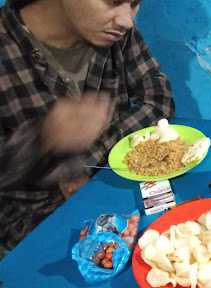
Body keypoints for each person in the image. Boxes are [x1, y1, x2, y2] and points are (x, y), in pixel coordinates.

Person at [0, 0, 174, 259]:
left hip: (116, 202)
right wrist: (43, 139)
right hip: (30, 239)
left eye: (135, 3)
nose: (127, 20)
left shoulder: (114, 32)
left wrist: (87, 159)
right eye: (113, 2)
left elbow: (158, 101)